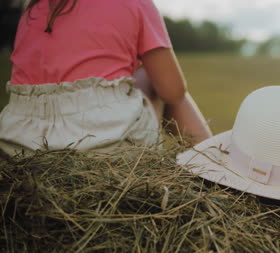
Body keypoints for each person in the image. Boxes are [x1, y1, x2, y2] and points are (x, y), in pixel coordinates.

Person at [0, 0, 212, 156]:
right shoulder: (136, 3)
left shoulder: (32, 10)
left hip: (23, 144)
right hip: (105, 140)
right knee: (152, 76)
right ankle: (214, 166)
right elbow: (173, 92)